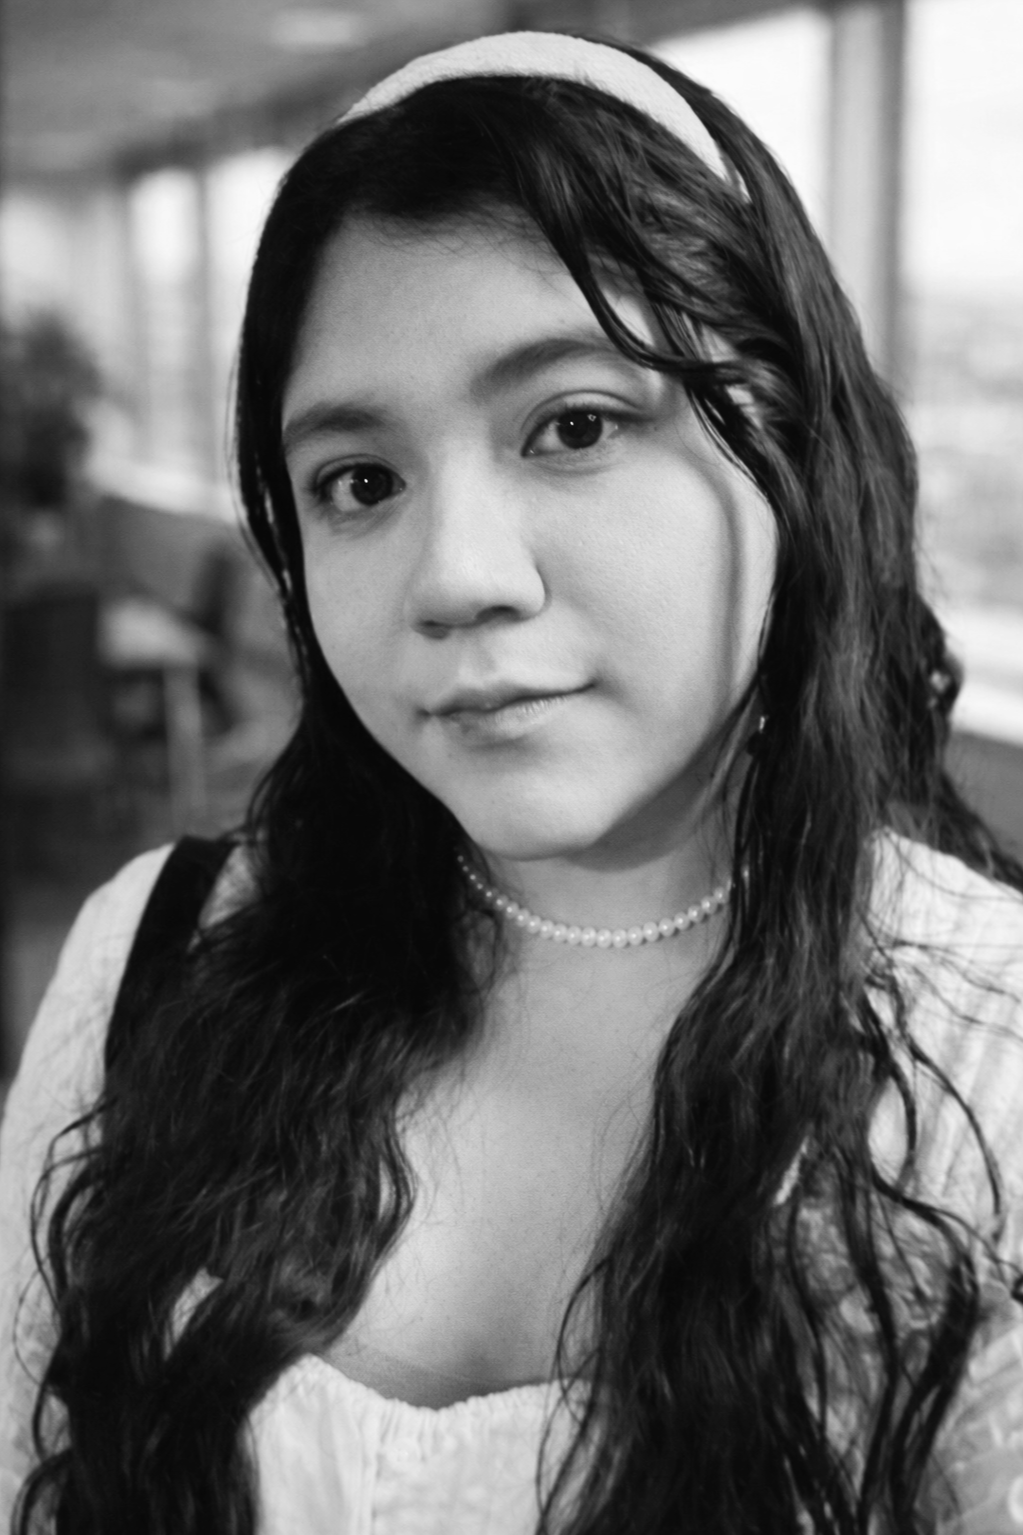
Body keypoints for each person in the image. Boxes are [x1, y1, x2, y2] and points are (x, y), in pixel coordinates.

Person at [2, 29, 1022, 1535]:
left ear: (797, 455)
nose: (453, 579)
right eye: (360, 481)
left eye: (576, 425)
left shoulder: (980, 1066)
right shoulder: (158, 960)